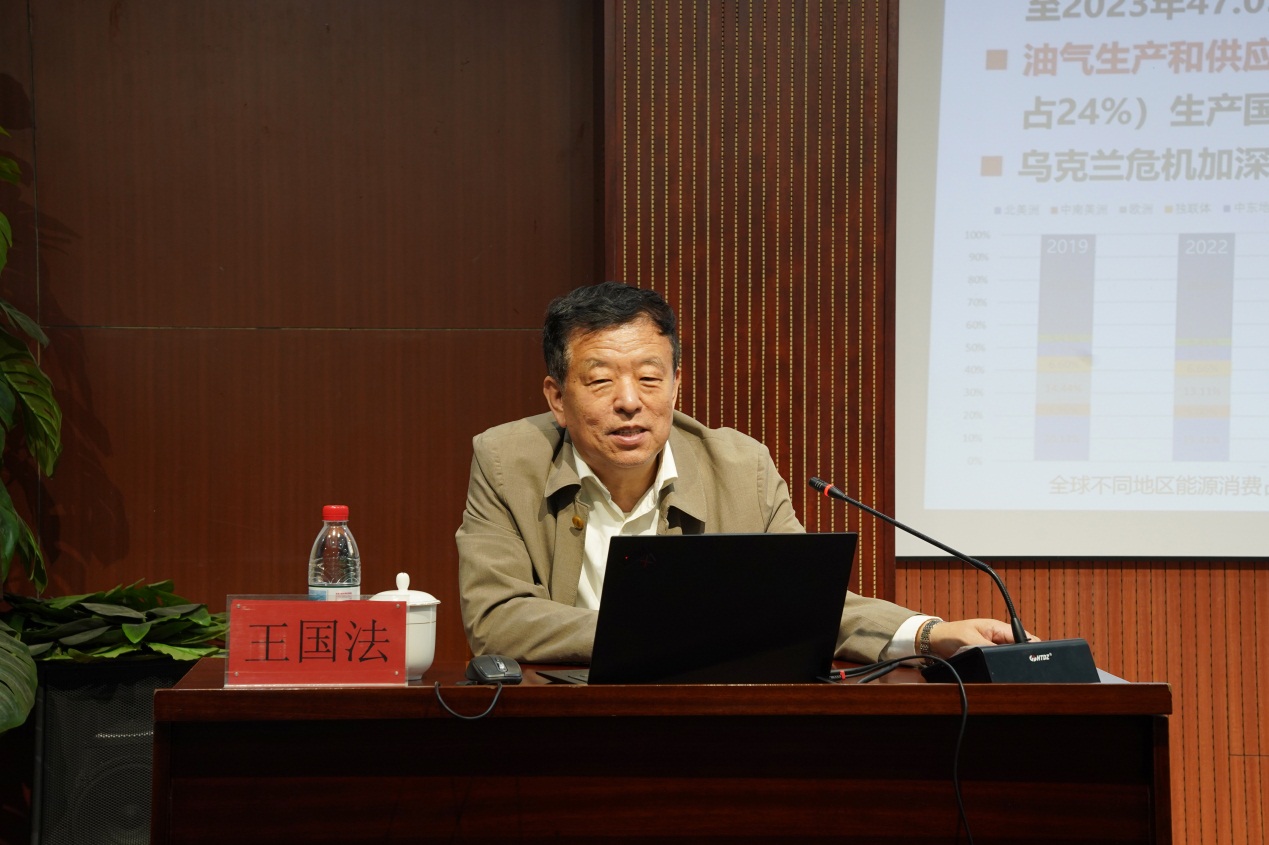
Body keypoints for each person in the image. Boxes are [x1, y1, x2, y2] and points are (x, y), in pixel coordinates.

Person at [456, 281, 1025, 665]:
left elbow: (804, 605)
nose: (629, 401)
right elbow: (497, 619)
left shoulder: (739, 466)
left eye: (650, 378)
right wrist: (669, 633)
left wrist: (929, 633)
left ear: (676, 386)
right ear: (557, 397)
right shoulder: (507, 461)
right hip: (569, 724)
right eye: (601, 380)